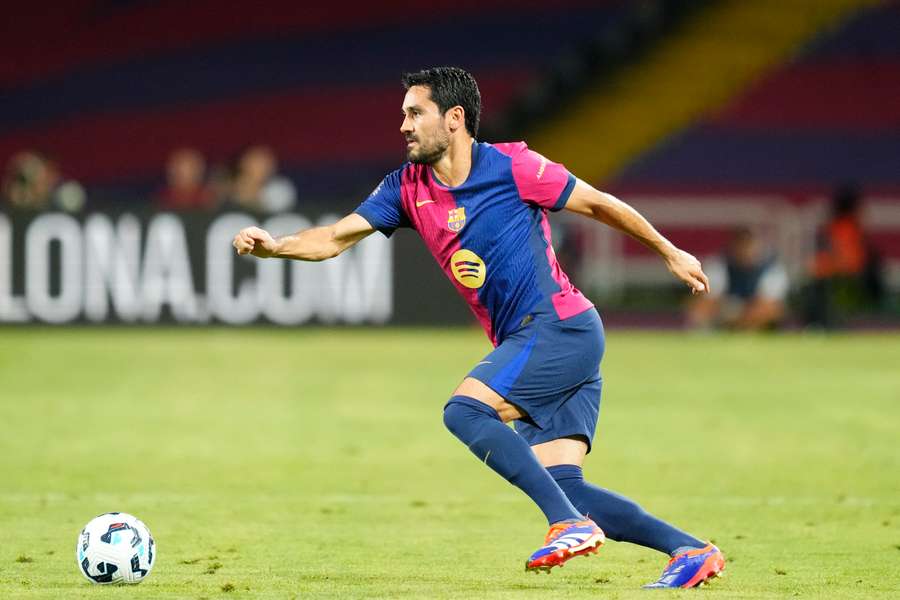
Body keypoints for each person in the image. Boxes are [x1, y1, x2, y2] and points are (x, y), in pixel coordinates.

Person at [232, 67, 724, 589]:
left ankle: (569, 525)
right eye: (402, 114)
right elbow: (333, 238)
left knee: (464, 412)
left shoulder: (514, 165)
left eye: (414, 113)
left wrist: (669, 252)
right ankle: (689, 550)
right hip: (540, 341)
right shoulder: (406, 187)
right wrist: (277, 246)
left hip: (558, 328)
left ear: (454, 119)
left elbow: (600, 203)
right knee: (564, 484)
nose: (403, 125)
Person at [686, 227, 788, 330]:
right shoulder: (719, 265)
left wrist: (743, 315)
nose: (745, 250)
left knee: (770, 310)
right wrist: (730, 310)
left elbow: (767, 304)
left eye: (748, 245)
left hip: (754, 313)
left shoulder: (771, 268)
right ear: (734, 247)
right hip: (726, 309)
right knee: (700, 307)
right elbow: (708, 300)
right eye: (741, 245)